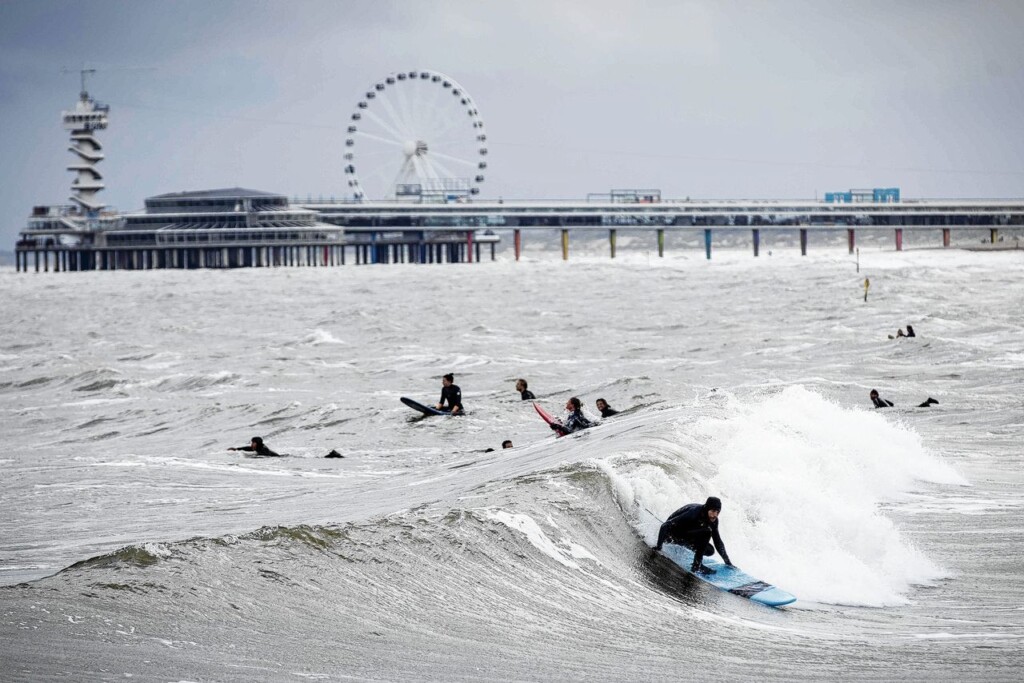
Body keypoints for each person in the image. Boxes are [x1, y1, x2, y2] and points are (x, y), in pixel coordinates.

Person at [655, 496, 733, 575]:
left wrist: (728, 562)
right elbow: (665, 525)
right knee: (707, 532)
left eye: (718, 512)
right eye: (713, 511)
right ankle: (697, 566)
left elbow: (717, 541)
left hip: (686, 535)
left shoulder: (713, 520)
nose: (715, 515)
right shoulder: (693, 513)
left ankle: (697, 564)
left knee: (709, 550)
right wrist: (658, 547)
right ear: (707, 509)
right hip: (671, 536)